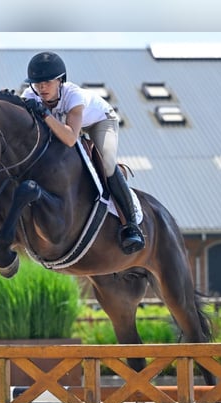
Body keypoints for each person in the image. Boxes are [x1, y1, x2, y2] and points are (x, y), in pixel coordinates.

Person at [21, 51, 145, 255]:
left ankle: (131, 225)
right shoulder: (29, 95)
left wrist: (43, 113)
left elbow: (70, 138)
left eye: (47, 82)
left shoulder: (74, 95)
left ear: (60, 81)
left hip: (99, 122)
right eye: (37, 83)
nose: (41, 87)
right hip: (65, 125)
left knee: (107, 164)